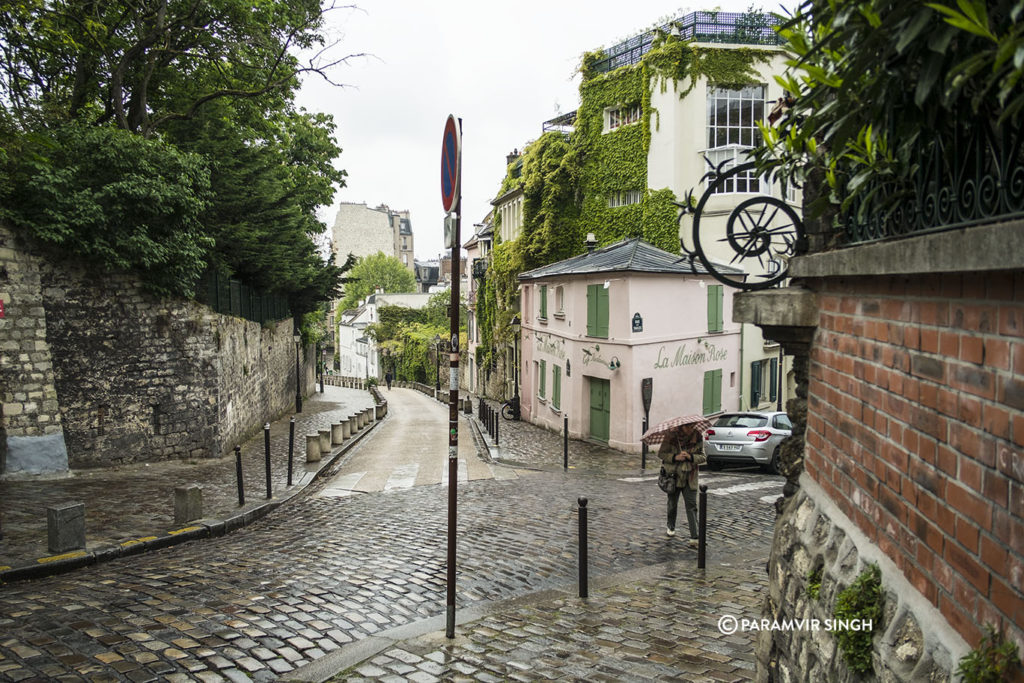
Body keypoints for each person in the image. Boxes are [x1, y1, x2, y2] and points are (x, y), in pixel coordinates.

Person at [658, 423, 707, 547]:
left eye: (692, 427)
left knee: (691, 506)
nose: (690, 430)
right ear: (681, 427)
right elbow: (661, 454)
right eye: (687, 427)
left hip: (690, 477)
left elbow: (703, 457)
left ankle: (694, 537)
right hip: (674, 477)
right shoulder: (671, 436)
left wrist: (690, 457)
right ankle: (671, 525)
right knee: (672, 504)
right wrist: (676, 457)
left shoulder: (697, 437)